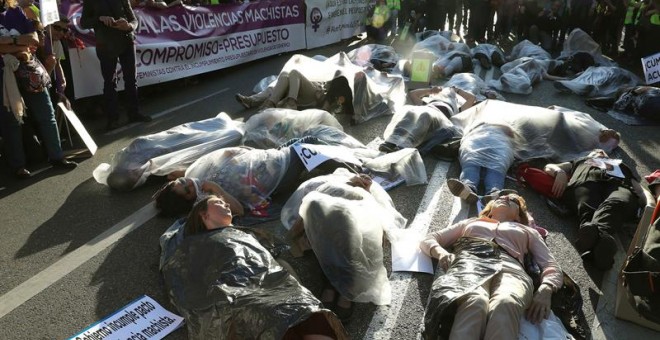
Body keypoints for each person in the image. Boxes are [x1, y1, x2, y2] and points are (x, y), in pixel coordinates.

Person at [160, 195, 346, 339]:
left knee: (309, 313)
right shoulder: (193, 244)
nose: (226, 205)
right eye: (218, 202)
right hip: (239, 292)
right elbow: (188, 280)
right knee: (271, 320)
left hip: (272, 283)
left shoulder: (244, 232)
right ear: (203, 214)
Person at [420, 194, 563, 339]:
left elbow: (550, 264)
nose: (505, 198)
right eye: (501, 197)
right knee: (475, 301)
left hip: (512, 270)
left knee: (506, 302)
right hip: (471, 262)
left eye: (513, 200)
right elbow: (430, 239)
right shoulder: (472, 222)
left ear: (519, 216)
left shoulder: (528, 231)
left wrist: (547, 288)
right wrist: (442, 254)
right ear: (490, 208)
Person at [153, 145, 359, 219]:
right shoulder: (206, 198)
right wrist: (215, 188)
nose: (190, 182)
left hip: (266, 162)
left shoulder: (194, 174)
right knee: (307, 150)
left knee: (307, 140)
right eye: (188, 190)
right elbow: (238, 211)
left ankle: (350, 165)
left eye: (182, 181)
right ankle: (354, 173)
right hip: (277, 176)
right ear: (189, 200)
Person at [0, 0, 77, 179]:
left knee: (47, 115)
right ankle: (18, 167)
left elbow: (35, 39)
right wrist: (19, 42)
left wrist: (8, 44)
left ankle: (57, 157)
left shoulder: (16, 12)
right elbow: (25, 41)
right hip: (4, 74)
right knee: (11, 121)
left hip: (30, 71)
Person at [544, 148, 647, 270]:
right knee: (587, 205)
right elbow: (549, 166)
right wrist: (559, 172)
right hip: (586, 183)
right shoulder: (580, 161)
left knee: (618, 202)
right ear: (590, 154)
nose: (600, 152)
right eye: (596, 151)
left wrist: (646, 207)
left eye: (603, 152)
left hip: (618, 186)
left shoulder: (620, 166)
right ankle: (600, 245)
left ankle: (591, 242)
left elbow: (640, 192)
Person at [80, 0, 152, 131]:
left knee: (131, 79)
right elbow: (84, 22)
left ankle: (134, 113)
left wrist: (129, 26)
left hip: (126, 41)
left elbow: (134, 20)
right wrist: (100, 18)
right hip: (105, 45)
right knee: (110, 82)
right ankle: (113, 119)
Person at [379, 86, 475, 153]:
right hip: (427, 112)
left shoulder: (457, 109)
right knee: (410, 112)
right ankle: (392, 141)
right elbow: (412, 94)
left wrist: (457, 90)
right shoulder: (428, 103)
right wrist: (430, 90)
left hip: (441, 122)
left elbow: (471, 98)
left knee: (425, 115)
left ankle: (403, 145)